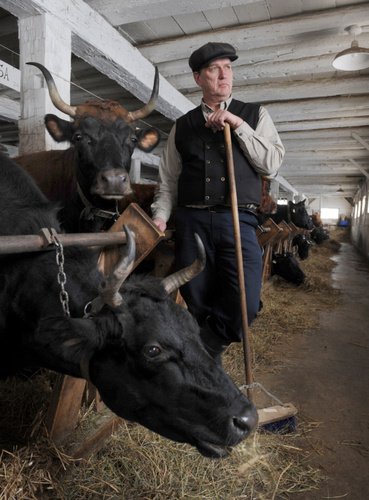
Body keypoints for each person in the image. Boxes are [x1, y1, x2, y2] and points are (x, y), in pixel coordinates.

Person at [151, 42, 285, 356]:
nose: (224, 75)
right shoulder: (182, 126)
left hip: (237, 220)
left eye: (228, 67)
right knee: (197, 301)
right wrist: (160, 215)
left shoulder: (254, 114)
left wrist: (237, 125)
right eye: (214, 69)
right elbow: (168, 180)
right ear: (199, 78)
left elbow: (272, 164)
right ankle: (206, 371)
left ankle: (199, 350)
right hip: (191, 223)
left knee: (245, 306)